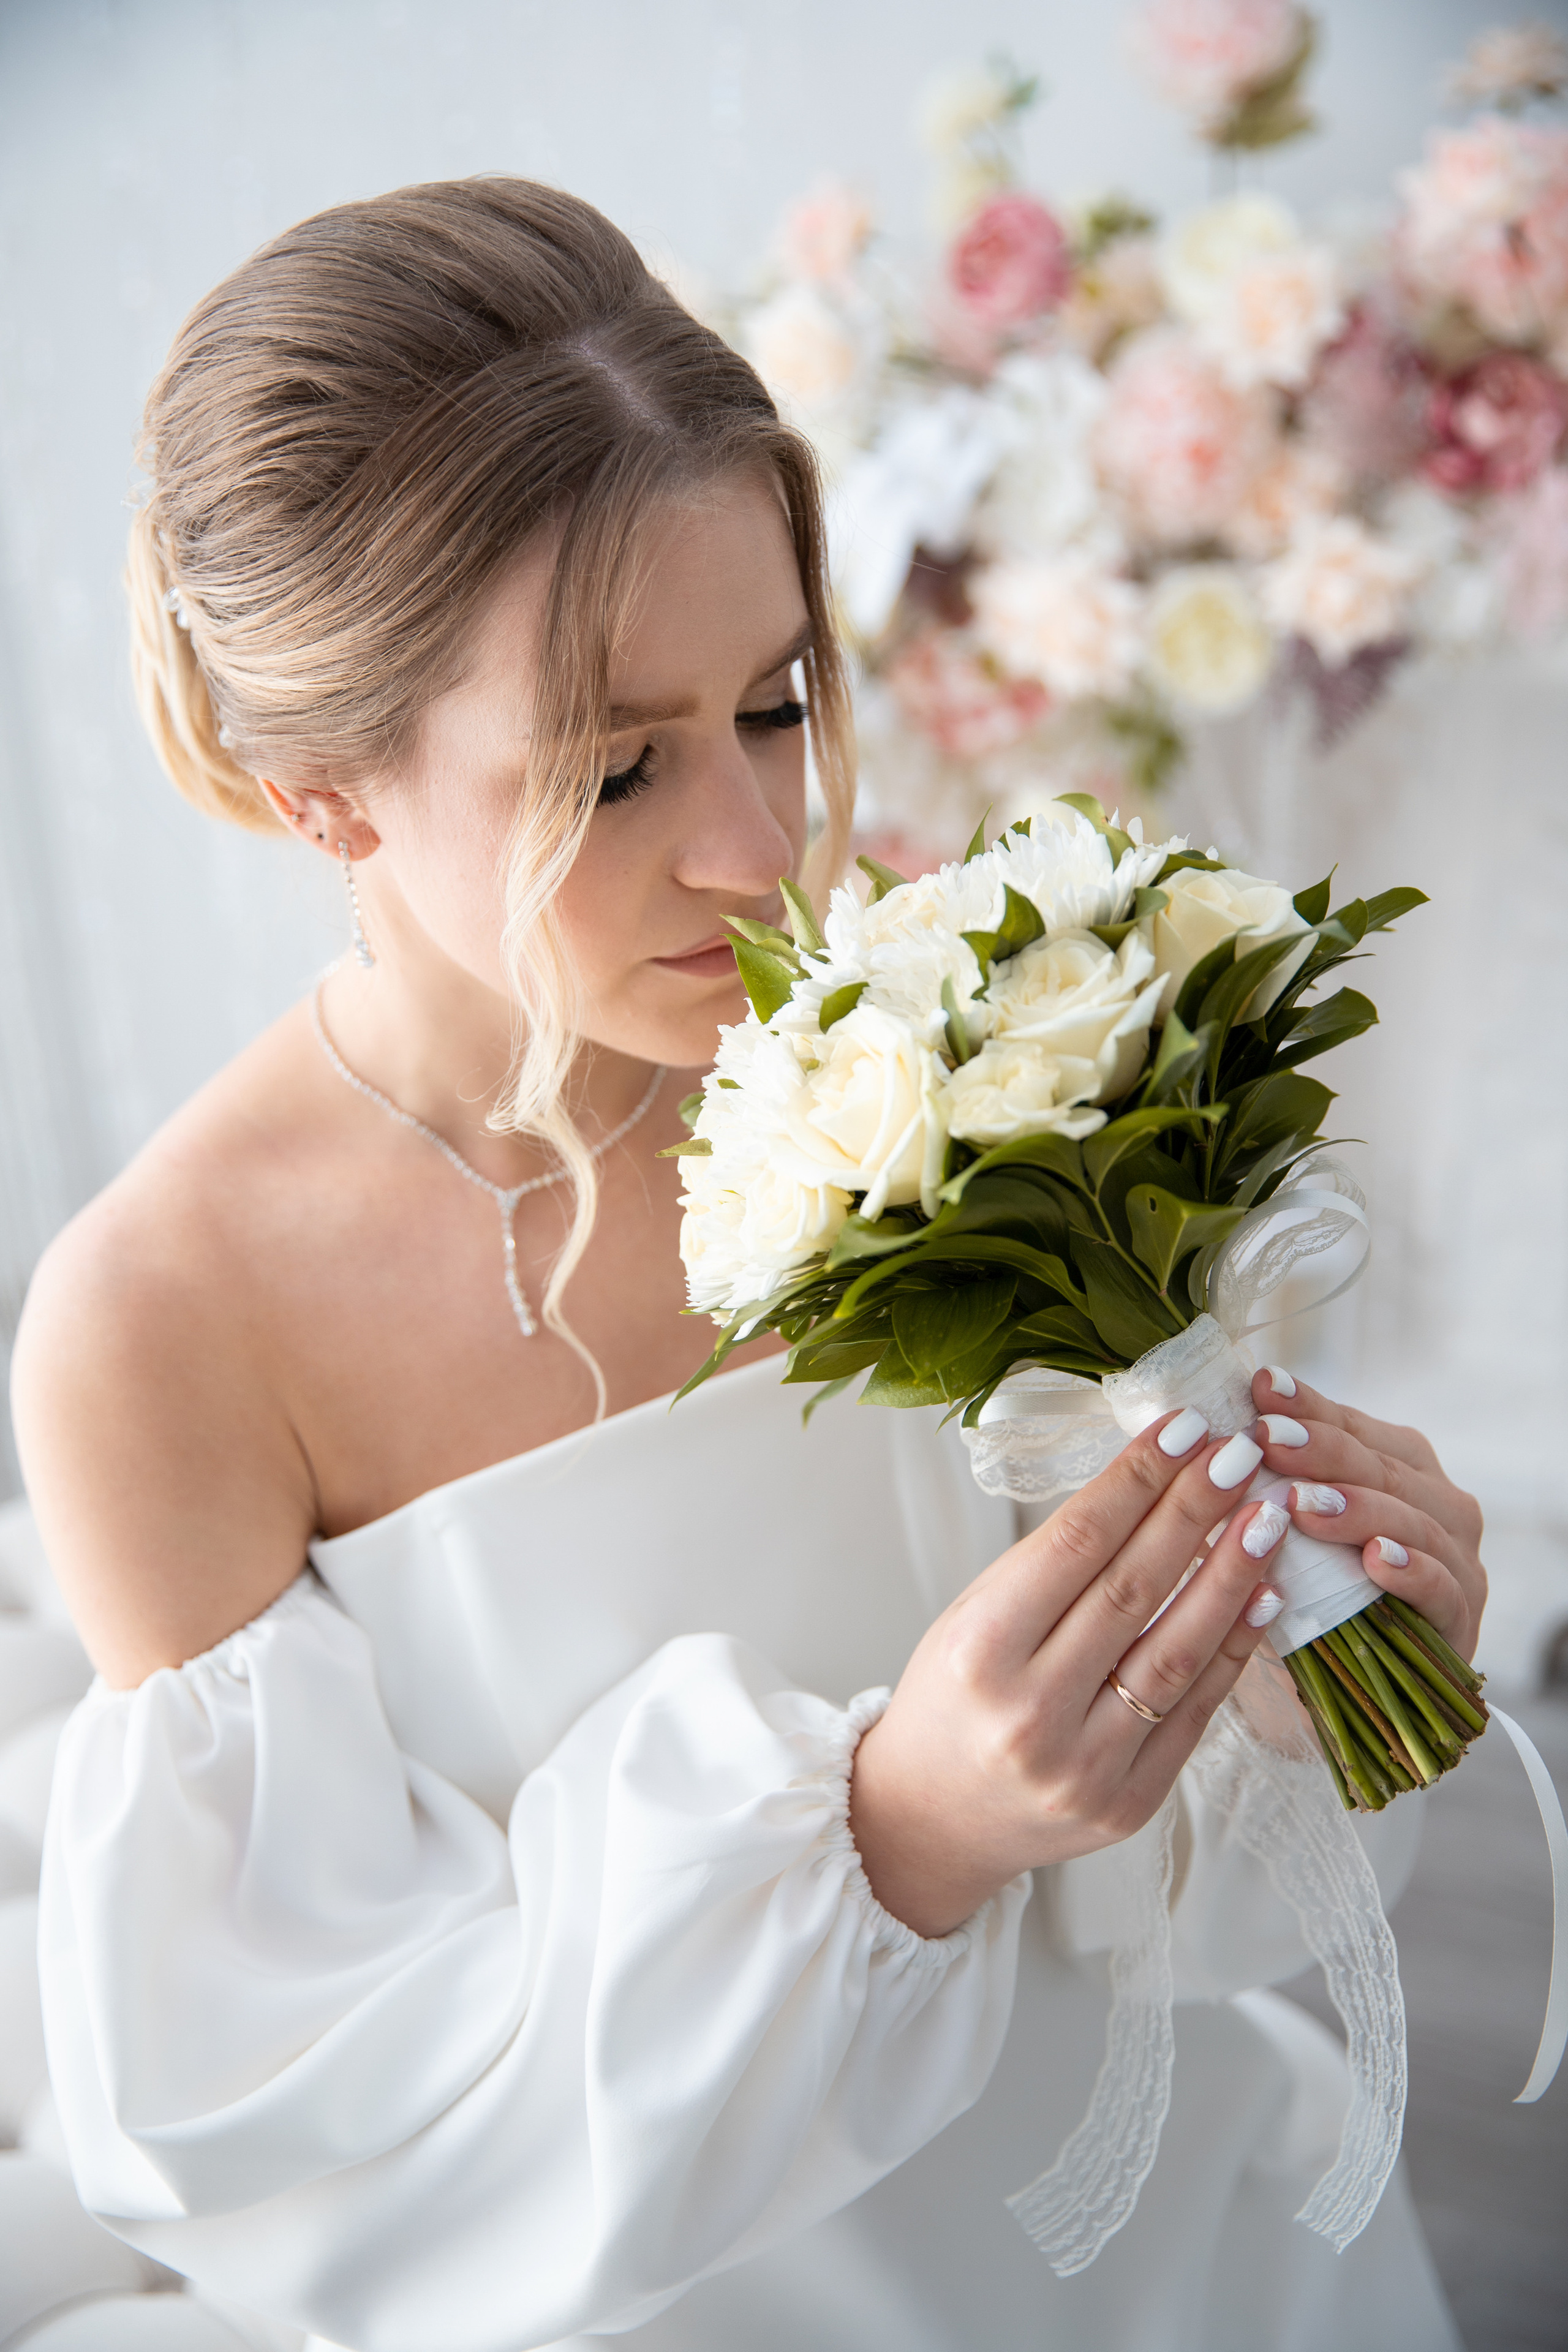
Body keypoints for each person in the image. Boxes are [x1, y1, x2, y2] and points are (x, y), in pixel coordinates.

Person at [11, 178, 1482, 2352]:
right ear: (317, 790)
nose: (758, 851)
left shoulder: (948, 1043)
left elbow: (1182, 1855)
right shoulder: (164, 1323)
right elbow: (315, 2132)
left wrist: (1302, 1663)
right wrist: (895, 1841)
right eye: (614, 770)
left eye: (777, 706)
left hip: (1189, 2253)